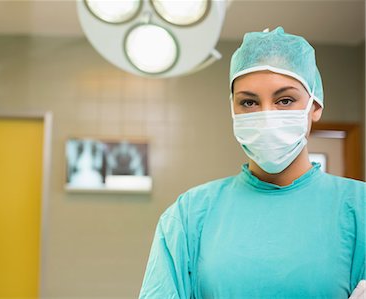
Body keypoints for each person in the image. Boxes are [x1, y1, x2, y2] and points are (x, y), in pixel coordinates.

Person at [138, 27, 366, 299]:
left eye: (285, 100)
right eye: (248, 102)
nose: (266, 115)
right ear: (232, 109)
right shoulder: (190, 214)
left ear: (315, 106)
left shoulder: (359, 208)